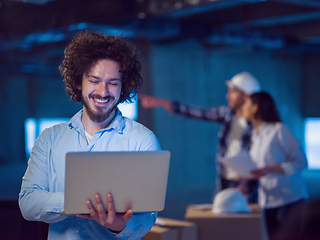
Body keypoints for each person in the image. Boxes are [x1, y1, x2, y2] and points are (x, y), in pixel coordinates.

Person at [18, 30, 161, 240]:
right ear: (78, 82)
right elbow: (28, 203)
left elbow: (148, 216)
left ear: (123, 88)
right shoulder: (49, 139)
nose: (103, 91)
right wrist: (77, 201)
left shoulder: (142, 140)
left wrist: (120, 226)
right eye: (94, 80)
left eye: (113, 82)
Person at [139, 72, 260, 201]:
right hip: (225, 179)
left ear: (246, 95)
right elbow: (196, 112)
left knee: (245, 220)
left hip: (245, 183)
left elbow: (260, 161)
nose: (228, 96)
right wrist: (159, 102)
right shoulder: (227, 114)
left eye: (233, 92)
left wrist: (247, 187)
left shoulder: (258, 124)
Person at [241, 91, 308, 240]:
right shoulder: (255, 134)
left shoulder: (279, 130)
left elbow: (301, 161)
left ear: (255, 108)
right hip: (267, 200)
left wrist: (271, 169)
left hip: (289, 198)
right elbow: (259, 167)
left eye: (246, 104)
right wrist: (246, 175)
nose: (242, 107)